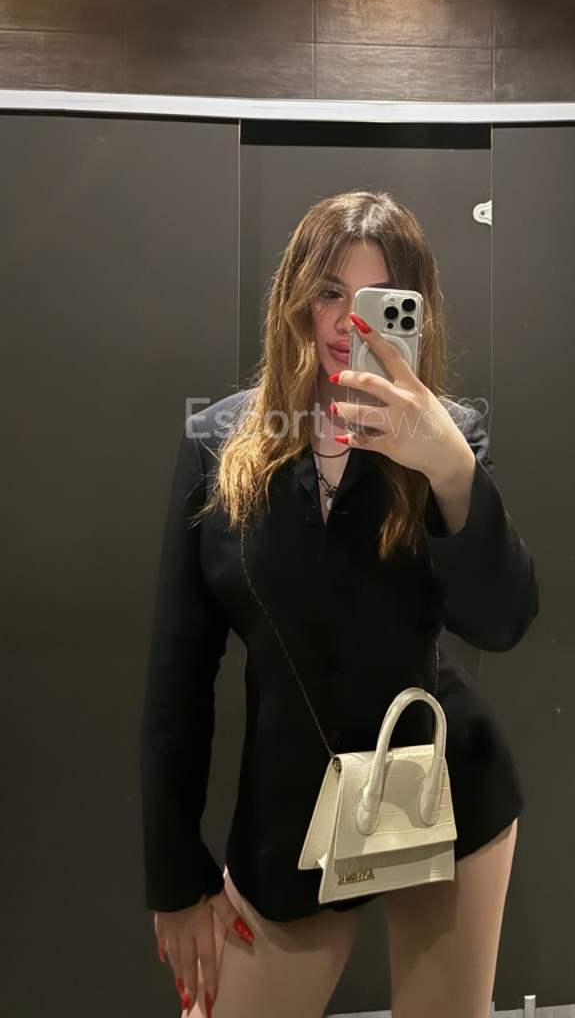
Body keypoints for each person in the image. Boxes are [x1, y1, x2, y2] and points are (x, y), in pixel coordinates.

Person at [139, 189, 539, 1018]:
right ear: (295, 296)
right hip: (291, 809)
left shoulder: (448, 438)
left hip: (441, 785)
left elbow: (500, 621)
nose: (345, 321)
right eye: (328, 291)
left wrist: (448, 469)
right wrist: (175, 877)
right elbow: (179, 673)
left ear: (413, 310)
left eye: (374, 299)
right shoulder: (218, 445)